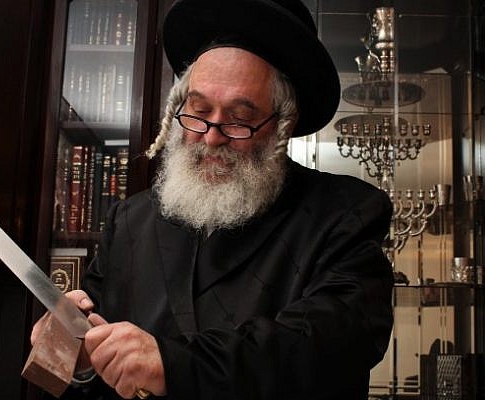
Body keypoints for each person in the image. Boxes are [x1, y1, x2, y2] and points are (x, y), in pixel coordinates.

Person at [31, 0, 394, 399]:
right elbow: (92, 368)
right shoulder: (130, 220)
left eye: (239, 119)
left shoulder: (344, 214)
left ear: (283, 124)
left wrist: (172, 364)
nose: (211, 135)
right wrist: (75, 356)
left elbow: (329, 347)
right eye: (199, 110)